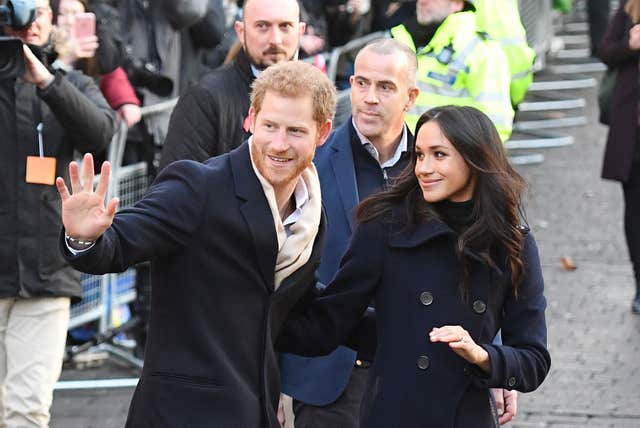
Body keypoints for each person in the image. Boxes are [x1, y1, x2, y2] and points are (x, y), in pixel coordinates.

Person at [56, 60, 335, 427]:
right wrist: (85, 236)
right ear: (250, 119)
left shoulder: (312, 212)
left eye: (296, 131)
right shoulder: (198, 187)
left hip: (255, 412)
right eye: (270, 126)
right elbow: (121, 243)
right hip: (181, 413)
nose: (279, 144)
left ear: (323, 132)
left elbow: (294, 311)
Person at [277, 105, 550, 427]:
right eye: (419, 155)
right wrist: (274, 293)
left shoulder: (512, 243)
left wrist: (483, 356)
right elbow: (330, 322)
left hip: (466, 416)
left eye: (439, 154)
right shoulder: (385, 226)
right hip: (394, 413)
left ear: (475, 159)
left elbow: (533, 360)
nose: (423, 167)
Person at [0, 0, 116, 425]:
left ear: (50, 22)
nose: (26, 25)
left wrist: (48, 81)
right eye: (14, 13)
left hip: (45, 275)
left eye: (37, 14)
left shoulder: (68, 84)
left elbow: (102, 131)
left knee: (27, 410)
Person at [159, 0, 305, 169]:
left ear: (300, 32)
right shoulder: (204, 99)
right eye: (262, 26)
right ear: (241, 32)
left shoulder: (311, 96)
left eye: (285, 26)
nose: (275, 40)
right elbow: (176, 187)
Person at [390, 0, 514, 141]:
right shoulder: (396, 41)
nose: (422, 2)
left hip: (447, 158)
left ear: (457, 4)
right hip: (399, 157)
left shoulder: (482, 51)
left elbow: (495, 126)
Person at [598, 0, 640, 314]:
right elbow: (606, 50)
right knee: (635, 212)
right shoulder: (630, 8)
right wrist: (631, 43)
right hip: (633, 133)